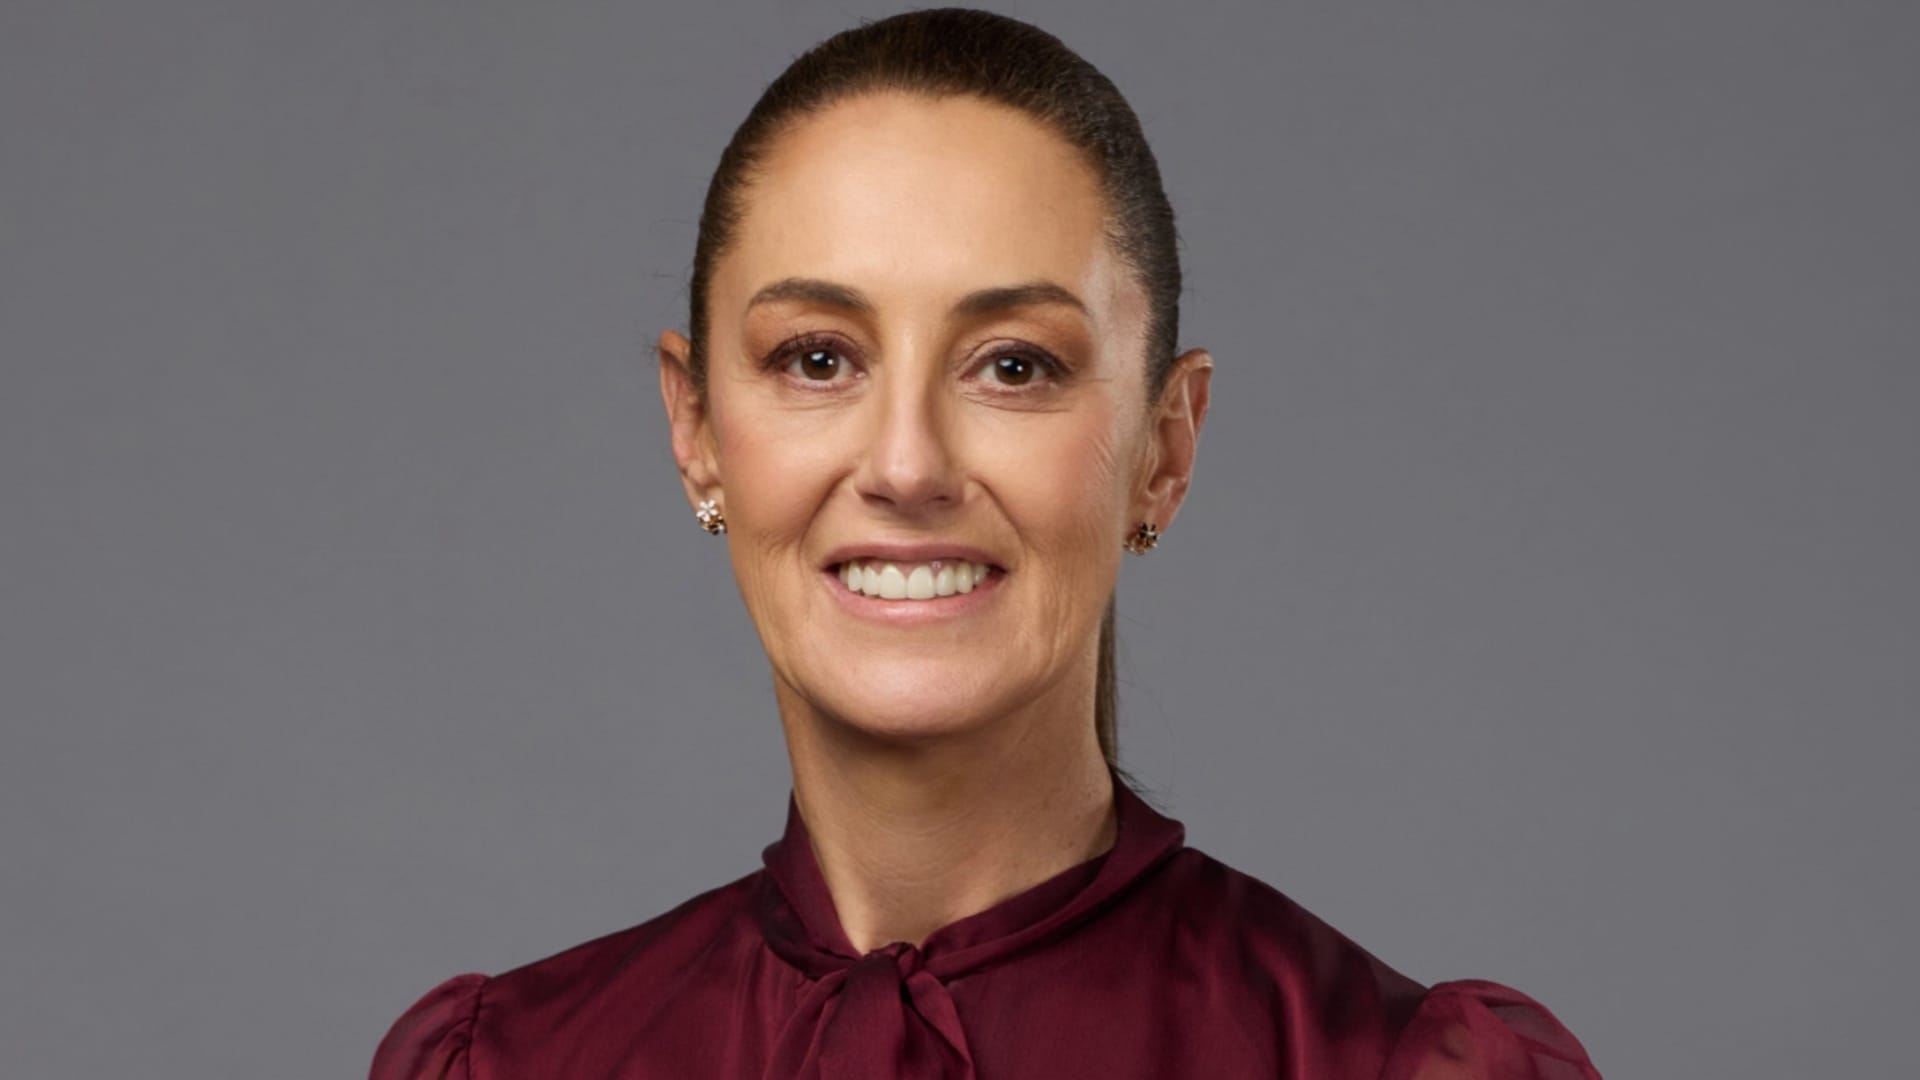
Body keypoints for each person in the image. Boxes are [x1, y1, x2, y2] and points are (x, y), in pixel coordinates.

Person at [371, 8, 1602, 1078]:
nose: (907, 464)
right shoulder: (508, 1065)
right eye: (818, 358)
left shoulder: (1383, 1066)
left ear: (1164, 450)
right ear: (697, 432)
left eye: (1014, 366)